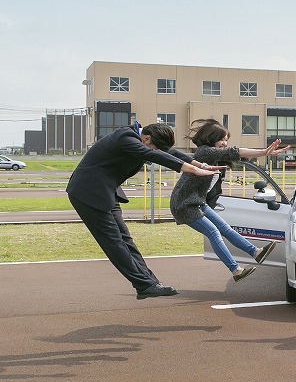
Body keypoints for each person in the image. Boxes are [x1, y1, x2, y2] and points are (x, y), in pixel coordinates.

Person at [67, 123, 219, 299]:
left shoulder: (139, 138)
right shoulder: (125, 138)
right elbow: (150, 153)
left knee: (125, 240)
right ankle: (144, 285)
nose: (154, 150)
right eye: (154, 146)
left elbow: (166, 152)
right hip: (88, 193)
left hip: (105, 191)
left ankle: (150, 283)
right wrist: (192, 170)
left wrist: (198, 164)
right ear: (146, 138)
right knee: (114, 242)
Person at [170, 119, 290, 281]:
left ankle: (255, 252)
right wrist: (263, 152)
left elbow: (236, 156)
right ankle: (236, 270)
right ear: (211, 138)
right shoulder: (204, 152)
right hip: (184, 204)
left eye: (227, 139)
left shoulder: (213, 155)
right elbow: (234, 152)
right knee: (213, 232)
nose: (225, 143)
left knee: (225, 228)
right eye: (222, 139)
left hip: (198, 201)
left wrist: (266, 154)